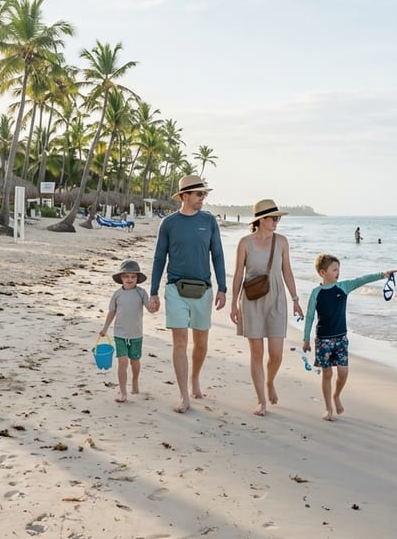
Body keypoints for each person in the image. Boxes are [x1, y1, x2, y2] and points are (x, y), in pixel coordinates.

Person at [148, 175, 227, 413]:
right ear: (184, 196)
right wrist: (153, 292)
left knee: (201, 343)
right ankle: (184, 395)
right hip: (175, 289)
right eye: (199, 194)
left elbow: (218, 255)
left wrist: (223, 287)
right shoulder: (169, 224)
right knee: (180, 342)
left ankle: (194, 379)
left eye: (204, 194)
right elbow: (159, 258)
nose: (203, 198)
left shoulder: (209, 221)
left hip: (203, 289)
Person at [229, 199, 305, 416]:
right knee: (256, 353)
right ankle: (261, 400)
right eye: (273, 218)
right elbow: (237, 275)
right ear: (261, 219)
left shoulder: (282, 241)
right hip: (252, 300)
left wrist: (295, 299)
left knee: (276, 354)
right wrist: (234, 303)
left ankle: (270, 381)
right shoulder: (245, 243)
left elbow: (287, 272)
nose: (277, 222)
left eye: (278, 218)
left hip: (277, 299)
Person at [301, 254, 397, 421]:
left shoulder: (343, 287)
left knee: (343, 372)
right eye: (335, 269)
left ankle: (336, 395)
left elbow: (362, 279)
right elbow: (309, 316)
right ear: (323, 272)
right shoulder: (316, 293)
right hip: (323, 340)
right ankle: (328, 408)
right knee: (327, 374)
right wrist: (306, 339)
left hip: (341, 339)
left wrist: (383, 274)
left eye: (339, 269)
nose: (338, 272)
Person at [99, 260, 152, 403]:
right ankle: (123, 392)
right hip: (120, 334)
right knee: (122, 362)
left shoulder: (141, 293)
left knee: (135, 361)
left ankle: (135, 381)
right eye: (126, 276)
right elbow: (112, 312)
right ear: (121, 277)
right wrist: (105, 328)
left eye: (133, 277)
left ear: (137, 278)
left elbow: (150, 309)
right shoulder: (117, 294)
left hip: (136, 334)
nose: (129, 279)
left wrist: (155, 304)